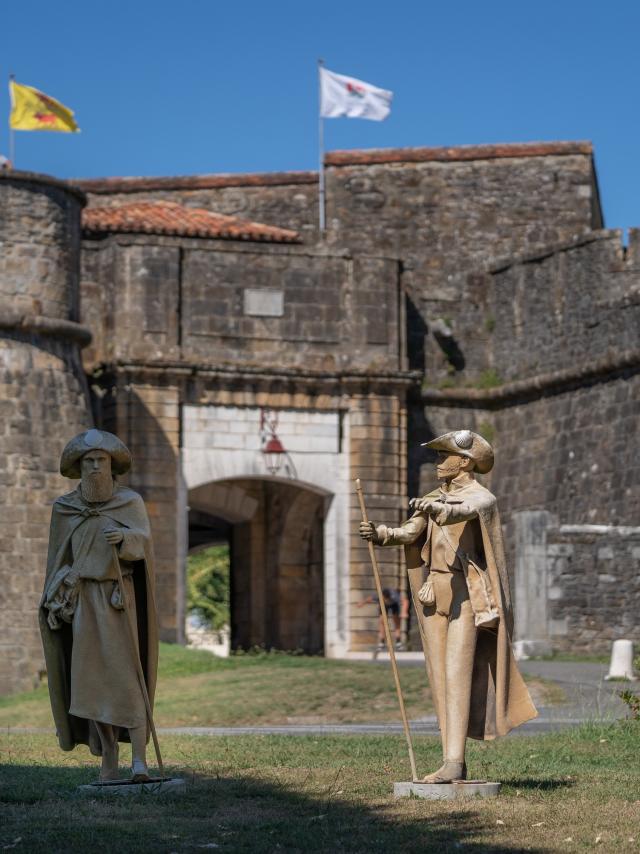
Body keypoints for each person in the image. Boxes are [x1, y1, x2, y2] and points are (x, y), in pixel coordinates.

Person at [359, 429, 537, 783]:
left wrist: (436, 508)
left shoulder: (481, 498)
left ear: (465, 462)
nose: (438, 463)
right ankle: (449, 759)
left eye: (445, 456)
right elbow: (410, 533)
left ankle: (455, 762)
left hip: (465, 596)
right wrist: (381, 534)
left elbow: (460, 513)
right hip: (434, 591)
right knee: (439, 676)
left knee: (457, 675)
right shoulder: (433, 496)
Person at [39, 429, 159, 782]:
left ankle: (139, 761)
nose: (94, 467)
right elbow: (57, 558)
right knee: (89, 683)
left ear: (111, 466)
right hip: (82, 604)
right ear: (79, 466)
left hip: (118, 599)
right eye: (88, 461)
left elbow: (144, 548)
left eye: (100, 461)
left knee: (127, 678)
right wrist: (55, 594)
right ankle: (109, 755)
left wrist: (126, 539)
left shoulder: (129, 503)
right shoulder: (66, 508)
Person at [356, 588, 409, 652]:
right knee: (382, 622)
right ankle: (382, 642)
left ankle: (398, 642)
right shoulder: (379, 597)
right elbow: (369, 599)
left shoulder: (394, 596)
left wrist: (404, 612)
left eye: (386, 600)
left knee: (397, 622)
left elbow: (405, 601)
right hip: (383, 605)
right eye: (384, 599)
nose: (386, 600)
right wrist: (362, 603)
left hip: (394, 605)